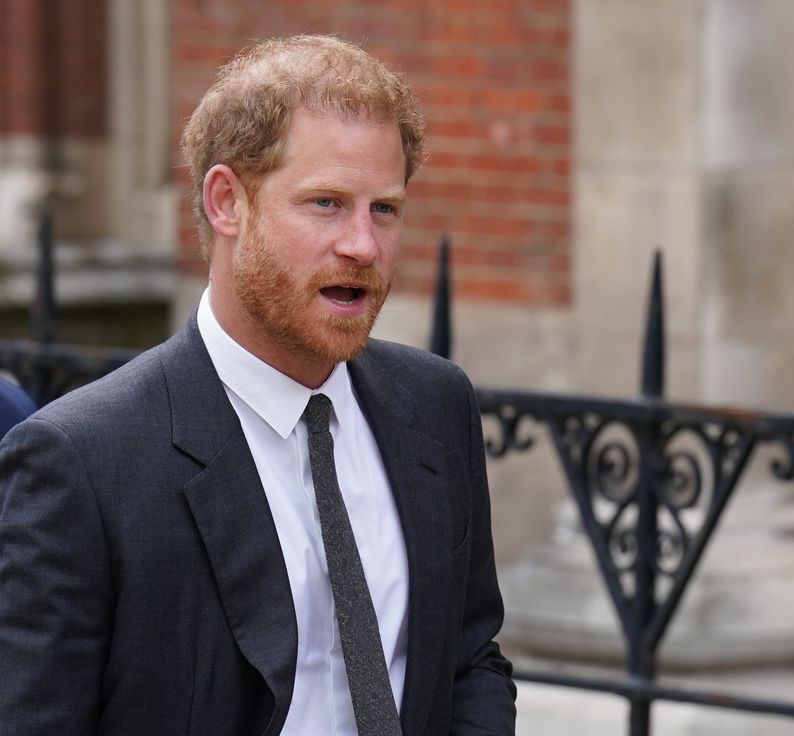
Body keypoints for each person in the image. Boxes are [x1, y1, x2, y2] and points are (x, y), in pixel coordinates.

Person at [0, 35, 516, 736]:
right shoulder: (82, 462)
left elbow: (467, 661)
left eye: (385, 209)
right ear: (226, 203)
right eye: (327, 203)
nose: (363, 245)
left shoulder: (435, 404)